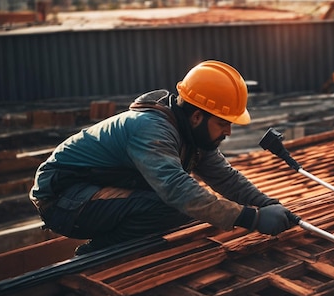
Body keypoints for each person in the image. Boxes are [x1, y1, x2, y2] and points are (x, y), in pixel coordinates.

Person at [29, 60, 294, 256]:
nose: (228, 131)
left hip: (92, 195)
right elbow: (178, 191)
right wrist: (252, 219)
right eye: (223, 123)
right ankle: (98, 253)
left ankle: (114, 243)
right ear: (197, 116)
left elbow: (227, 179)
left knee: (191, 208)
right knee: (180, 205)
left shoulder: (194, 136)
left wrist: (268, 204)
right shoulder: (152, 130)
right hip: (63, 201)